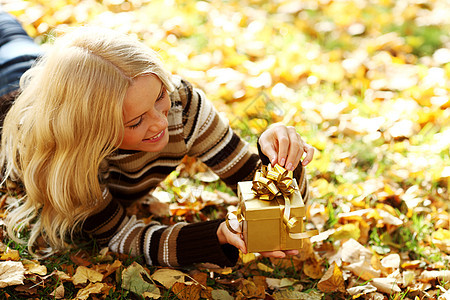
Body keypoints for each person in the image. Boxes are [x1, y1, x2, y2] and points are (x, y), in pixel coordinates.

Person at [0, 12, 315, 267]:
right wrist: (215, 234)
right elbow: (121, 235)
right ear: (93, 133)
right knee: (10, 39)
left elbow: (256, 182)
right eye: (136, 121)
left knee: (16, 38)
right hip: (10, 88)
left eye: (160, 96)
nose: (161, 122)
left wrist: (277, 160)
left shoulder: (183, 105)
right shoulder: (67, 156)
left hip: (61, 76)